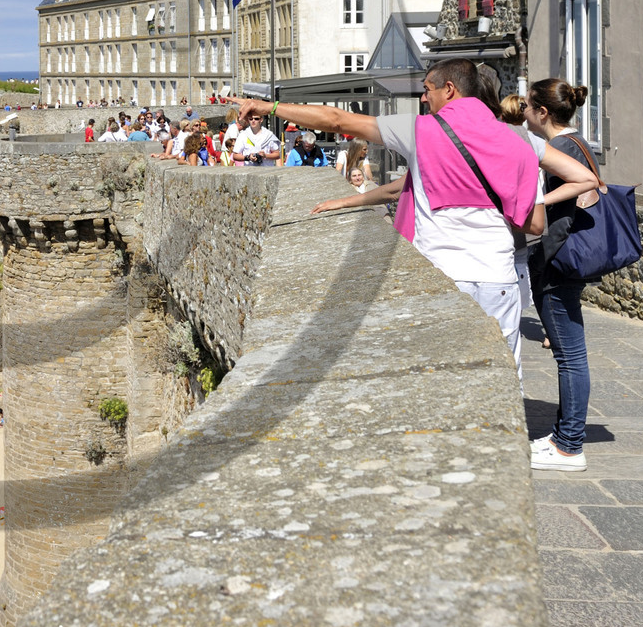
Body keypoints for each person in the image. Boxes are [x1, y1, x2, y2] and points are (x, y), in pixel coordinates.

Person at [237, 59, 545, 369]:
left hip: (444, 274)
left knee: (438, 372)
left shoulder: (420, 130)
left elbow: (337, 120)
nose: (424, 98)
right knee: (504, 375)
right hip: (499, 279)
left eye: (428, 90)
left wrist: (270, 107)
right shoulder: (518, 140)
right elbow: (544, 211)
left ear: (450, 90)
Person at [524, 78, 601, 473]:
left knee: (570, 355)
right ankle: (563, 436)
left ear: (542, 112)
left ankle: (570, 445)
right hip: (568, 260)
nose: (522, 114)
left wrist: (536, 200)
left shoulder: (561, 148)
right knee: (569, 353)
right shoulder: (580, 143)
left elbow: (579, 192)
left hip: (559, 260)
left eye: (526, 107)